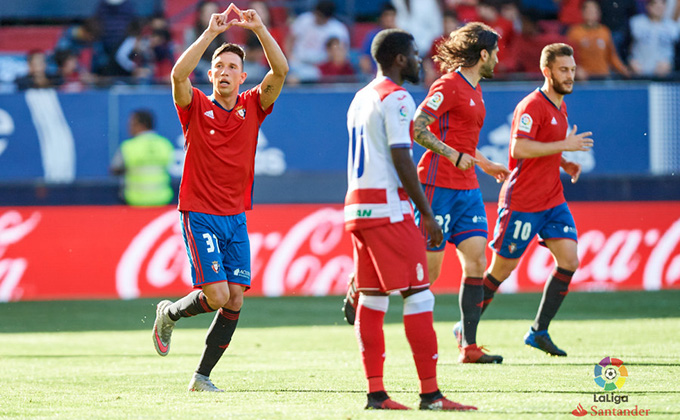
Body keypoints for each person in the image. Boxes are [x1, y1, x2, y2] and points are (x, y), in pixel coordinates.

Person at [152, 3, 288, 392]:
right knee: (216, 294)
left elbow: (281, 72)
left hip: (236, 217)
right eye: (219, 67)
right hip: (199, 212)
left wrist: (260, 28)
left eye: (232, 68)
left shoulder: (252, 107)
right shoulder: (194, 105)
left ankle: (201, 377)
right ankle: (171, 312)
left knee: (235, 300)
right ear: (210, 74)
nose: (225, 72)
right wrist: (211, 34)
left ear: (243, 77)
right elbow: (178, 74)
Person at [345, 28, 476, 411]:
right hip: (388, 208)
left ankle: (376, 394)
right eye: (416, 54)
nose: (422, 60)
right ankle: (431, 395)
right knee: (420, 295)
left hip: (356, 206)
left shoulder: (359, 98)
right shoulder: (397, 97)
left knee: (372, 299)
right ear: (400, 59)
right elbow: (402, 157)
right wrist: (427, 211)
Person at [481, 43, 593, 356]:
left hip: (552, 200)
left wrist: (563, 160)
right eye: (563, 70)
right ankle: (467, 326)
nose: (570, 76)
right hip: (523, 202)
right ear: (547, 71)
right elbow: (519, 149)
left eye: (571, 70)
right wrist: (563, 144)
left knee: (569, 261)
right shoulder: (531, 105)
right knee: (501, 271)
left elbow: (545, 147)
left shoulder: (560, 104)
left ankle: (538, 331)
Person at [412, 22, 510, 364]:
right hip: (436, 186)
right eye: (495, 52)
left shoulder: (476, 89)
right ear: (482, 54)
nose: (498, 58)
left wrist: (484, 163)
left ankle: (468, 345)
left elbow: (464, 142)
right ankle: (363, 282)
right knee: (428, 272)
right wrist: (453, 156)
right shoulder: (449, 85)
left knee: (477, 261)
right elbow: (417, 127)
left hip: (467, 188)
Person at [110, 109, 175, 206]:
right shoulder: (165, 144)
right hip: (162, 200)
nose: (129, 127)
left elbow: (115, 170)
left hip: (135, 201)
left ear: (141, 125)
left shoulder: (128, 146)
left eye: (132, 123)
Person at [287, 0, 350, 82]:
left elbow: (341, 54)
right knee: (291, 78)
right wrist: (290, 58)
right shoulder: (304, 20)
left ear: (328, 17)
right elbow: (289, 40)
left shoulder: (338, 29)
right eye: (316, 14)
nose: (317, 18)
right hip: (298, 64)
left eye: (320, 16)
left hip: (323, 68)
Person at [566, 0, 630, 80]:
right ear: (582, 12)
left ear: (599, 12)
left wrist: (623, 70)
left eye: (593, 9)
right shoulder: (574, 33)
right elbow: (567, 57)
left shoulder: (604, 31)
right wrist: (575, 69)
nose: (590, 12)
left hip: (603, 77)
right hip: (584, 79)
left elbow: (612, 56)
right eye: (587, 9)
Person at [628, 0, 679, 78]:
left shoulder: (673, 28)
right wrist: (630, 61)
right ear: (648, 6)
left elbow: (678, 53)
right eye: (655, 4)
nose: (658, 7)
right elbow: (624, 47)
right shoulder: (636, 23)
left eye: (662, 4)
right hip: (639, 74)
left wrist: (671, 64)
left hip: (664, 78)